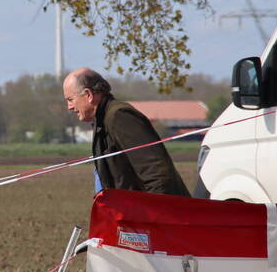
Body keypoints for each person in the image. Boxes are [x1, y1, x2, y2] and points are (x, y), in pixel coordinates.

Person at [63, 67, 190, 197]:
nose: (69, 107)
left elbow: (156, 173)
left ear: (88, 95)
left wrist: (155, 213)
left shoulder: (120, 116)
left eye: (70, 100)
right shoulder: (102, 121)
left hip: (155, 212)